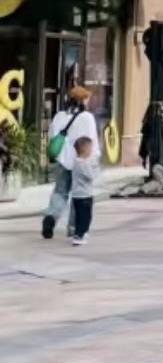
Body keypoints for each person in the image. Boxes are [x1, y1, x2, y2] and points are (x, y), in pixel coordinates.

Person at [42, 86, 99, 240]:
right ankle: (73, 227)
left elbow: (54, 136)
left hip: (62, 160)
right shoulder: (87, 117)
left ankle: (51, 217)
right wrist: (93, 162)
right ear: (83, 99)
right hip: (80, 160)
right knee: (79, 194)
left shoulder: (59, 116)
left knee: (60, 191)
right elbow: (91, 140)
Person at [68, 136, 99, 246]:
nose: (91, 150)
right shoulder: (82, 163)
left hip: (78, 195)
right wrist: (95, 167)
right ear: (84, 149)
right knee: (85, 216)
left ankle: (82, 232)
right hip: (84, 195)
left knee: (80, 216)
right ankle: (79, 235)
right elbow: (91, 176)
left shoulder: (77, 162)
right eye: (90, 148)